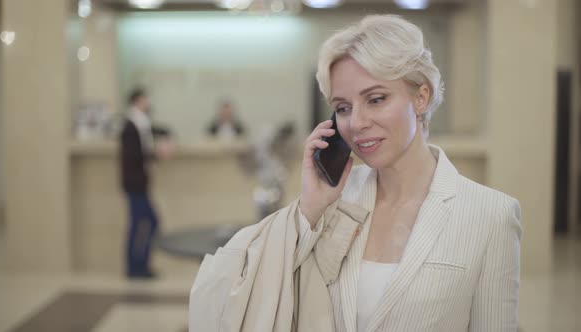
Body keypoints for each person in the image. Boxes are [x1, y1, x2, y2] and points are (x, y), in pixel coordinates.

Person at [189, 15, 522, 332]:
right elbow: (254, 288)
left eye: (376, 99)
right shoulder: (333, 201)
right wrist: (310, 207)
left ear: (421, 97)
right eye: (343, 108)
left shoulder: (491, 216)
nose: (357, 123)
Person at [119, 88, 173, 279]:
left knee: (144, 222)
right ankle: (135, 267)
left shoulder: (141, 124)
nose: (148, 102)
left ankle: (139, 265)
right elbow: (134, 156)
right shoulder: (131, 126)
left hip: (139, 183)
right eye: (145, 99)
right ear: (137, 101)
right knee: (145, 222)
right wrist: (157, 154)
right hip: (135, 183)